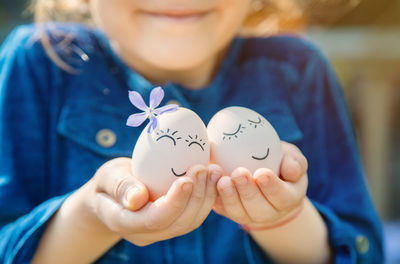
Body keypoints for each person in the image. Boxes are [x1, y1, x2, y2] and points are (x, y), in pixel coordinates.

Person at [0, 0, 383, 263]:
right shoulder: (41, 64)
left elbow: (364, 253)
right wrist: (91, 216)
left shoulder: (298, 72)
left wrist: (283, 218)